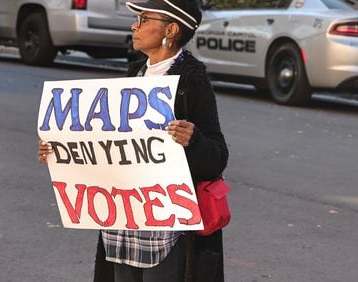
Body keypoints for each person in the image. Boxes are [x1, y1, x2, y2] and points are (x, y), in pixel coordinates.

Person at [38, 0, 229, 281]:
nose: (134, 26)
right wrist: (59, 149)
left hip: (165, 230)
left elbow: (217, 156)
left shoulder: (192, 81)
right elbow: (104, 145)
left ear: (171, 29)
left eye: (143, 19)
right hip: (122, 224)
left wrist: (193, 139)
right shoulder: (134, 74)